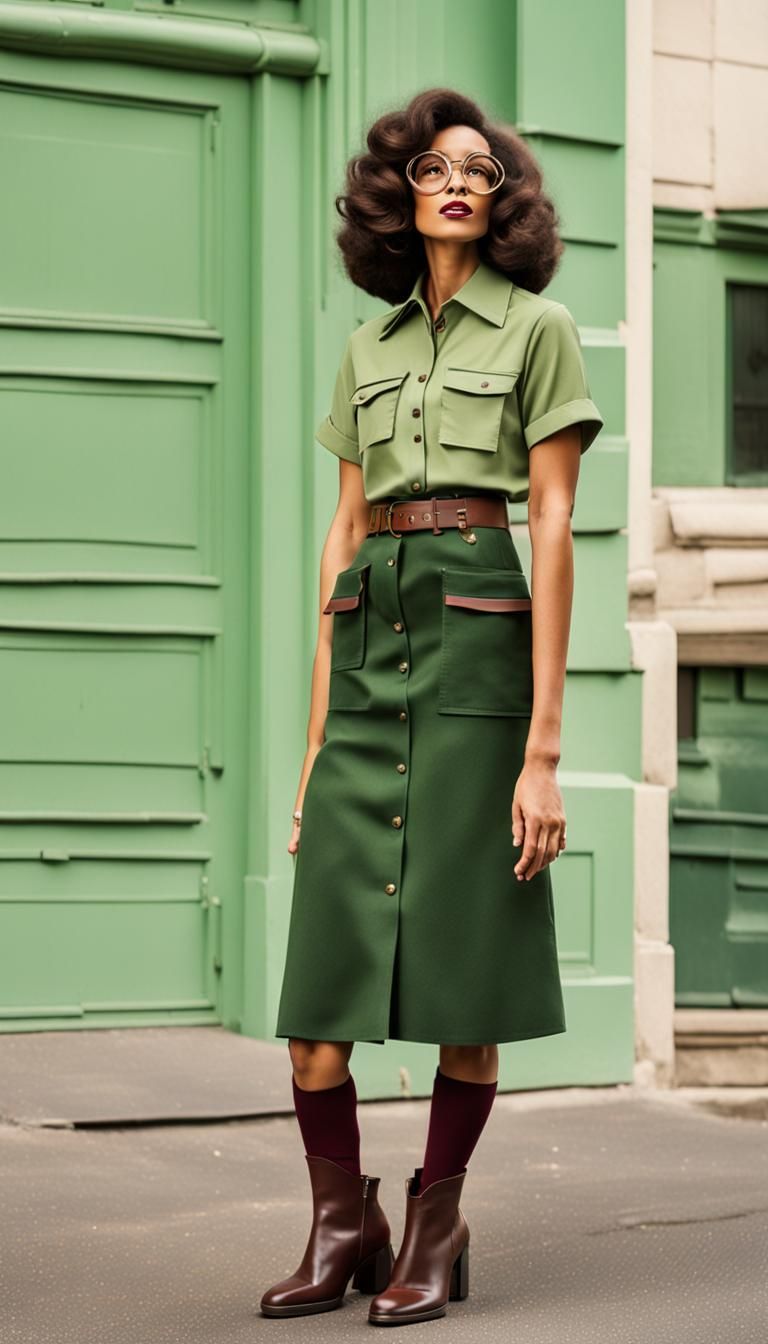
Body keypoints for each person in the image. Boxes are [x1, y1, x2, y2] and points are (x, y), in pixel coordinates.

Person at [260, 87, 604, 1326]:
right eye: (433, 169)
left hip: (477, 637)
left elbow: (555, 520)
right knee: (314, 1024)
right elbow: (342, 532)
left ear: (501, 200)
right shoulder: (370, 349)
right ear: (399, 197)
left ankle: (436, 1225)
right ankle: (338, 1225)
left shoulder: (540, 329)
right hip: (370, 640)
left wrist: (542, 751)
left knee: (464, 984)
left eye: (480, 169)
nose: (457, 181)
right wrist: (312, 749)